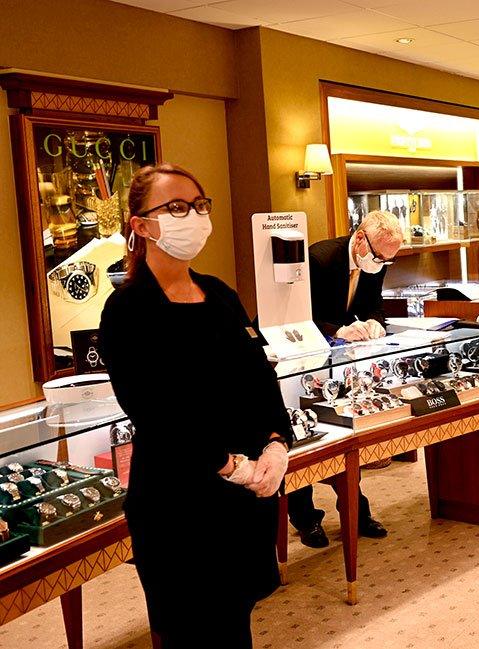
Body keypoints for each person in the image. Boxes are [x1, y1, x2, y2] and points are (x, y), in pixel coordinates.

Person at [100, 164, 291, 647]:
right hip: (179, 502)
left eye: (200, 205)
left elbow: (258, 376)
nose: (195, 217)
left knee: (236, 621)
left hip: (244, 499)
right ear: (140, 225)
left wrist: (275, 443)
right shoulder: (128, 310)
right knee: (193, 630)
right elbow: (155, 411)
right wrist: (230, 466)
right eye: (178, 208)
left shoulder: (220, 295)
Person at [287, 210, 403, 548]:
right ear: (360, 238)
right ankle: (305, 518)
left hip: (338, 365)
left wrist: (376, 322)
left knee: (341, 439)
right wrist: (337, 329)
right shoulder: (320, 259)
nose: (380, 263)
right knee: (304, 441)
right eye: (379, 255)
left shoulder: (375, 264)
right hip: (298, 360)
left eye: (387, 260)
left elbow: (374, 305)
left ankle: (356, 510)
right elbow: (296, 316)